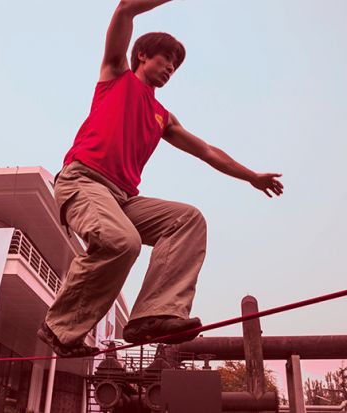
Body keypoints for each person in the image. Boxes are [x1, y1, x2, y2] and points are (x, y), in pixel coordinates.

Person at [37, 0, 284, 357]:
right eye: (164, 59)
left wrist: (251, 177)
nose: (170, 67)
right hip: (83, 181)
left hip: (123, 199)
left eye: (175, 65)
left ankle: (153, 316)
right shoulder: (115, 77)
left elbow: (208, 151)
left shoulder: (162, 117)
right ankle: (59, 329)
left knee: (187, 219)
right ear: (141, 56)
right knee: (123, 242)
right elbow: (125, 10)